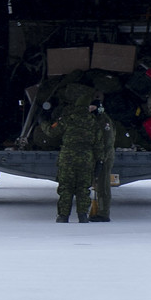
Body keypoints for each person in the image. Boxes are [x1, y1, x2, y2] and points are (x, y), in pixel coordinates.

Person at [56, 95, 114, 223]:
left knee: (97, 186)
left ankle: (101, 214)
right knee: (83, 187)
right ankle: (82, 215)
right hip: (89, 159)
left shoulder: (101, 121)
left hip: (89, 158)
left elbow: (105, 143)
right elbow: (99, 143)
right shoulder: (93, 121)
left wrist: (100, 160)